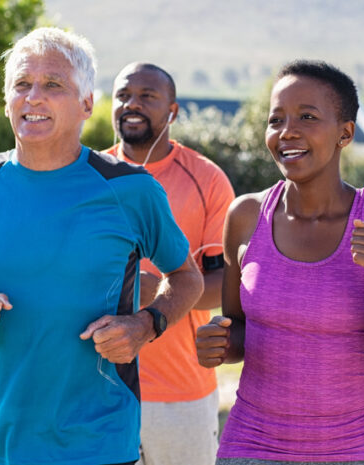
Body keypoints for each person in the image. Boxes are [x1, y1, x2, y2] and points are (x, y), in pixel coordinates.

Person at [0, 28, 204, 465]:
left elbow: (187, 277)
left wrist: (145, 325)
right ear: (7, 102)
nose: (33, 97)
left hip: (102, 441)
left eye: (53, 85)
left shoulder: (131, 189)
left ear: (86, 104)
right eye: (21, 85)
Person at [196, 60, 364, 465]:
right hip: (253, 447)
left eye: (307, 117)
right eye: (276, 119)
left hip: (359, 451)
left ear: (345, 133)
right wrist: (221, 343)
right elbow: (240, 328)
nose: (286, 131)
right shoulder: (244, 218)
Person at [105, 62, 235, 465]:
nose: (132, 104)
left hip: (181, 391)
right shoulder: (84, 176)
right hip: (94, 387)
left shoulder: (207, 179)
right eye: (124, 95)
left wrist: (161, 290)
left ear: (173, 111)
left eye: (147, 96)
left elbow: (228, 281)